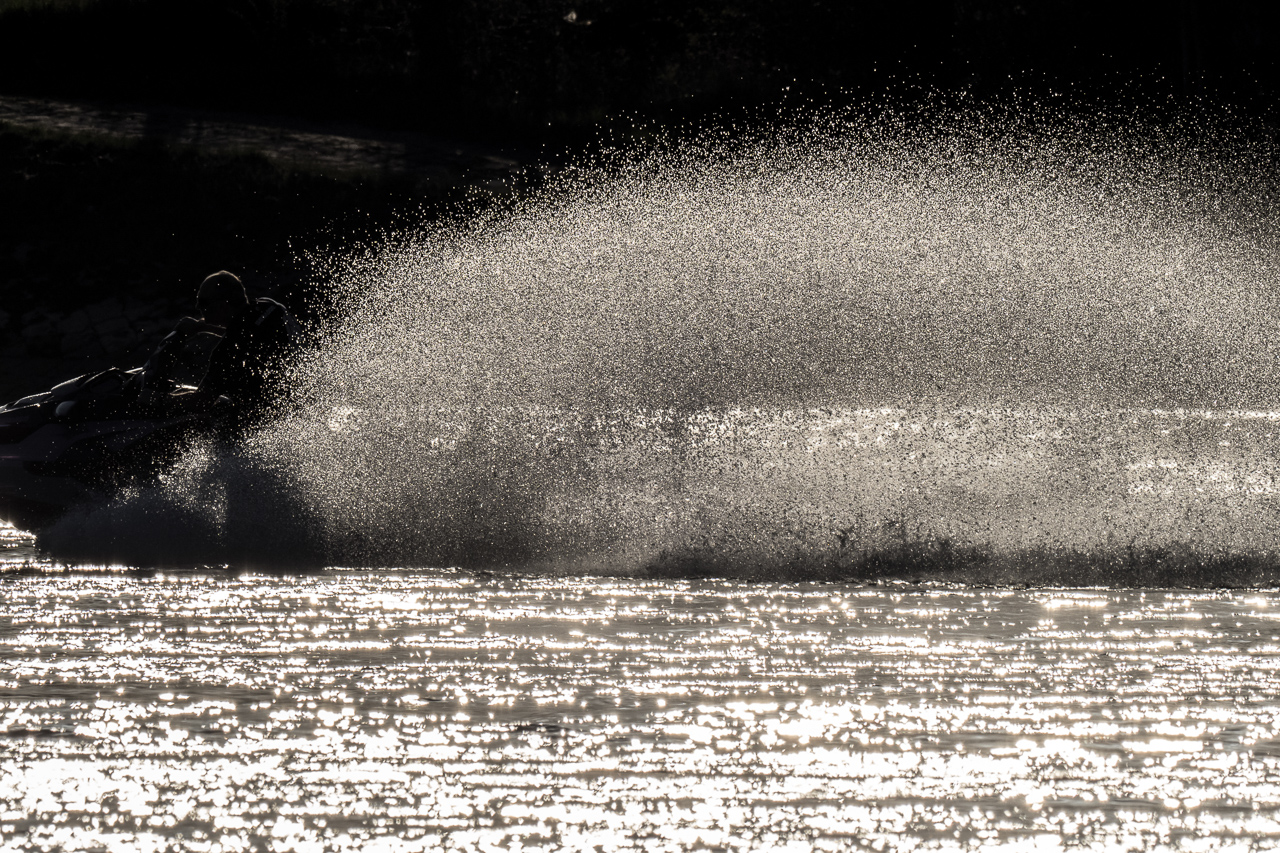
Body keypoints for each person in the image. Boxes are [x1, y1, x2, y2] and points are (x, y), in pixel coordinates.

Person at [173, 270, 300, 426]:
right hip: (300, 402)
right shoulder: (270, 307)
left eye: (203, 302)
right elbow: (244, 329)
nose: (198, 307)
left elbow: (201, 401)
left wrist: (157, 401)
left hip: (265, 426)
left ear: (223, 304)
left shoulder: (227, 352)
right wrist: (202, 327)